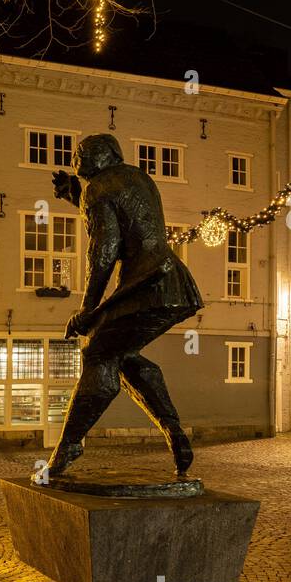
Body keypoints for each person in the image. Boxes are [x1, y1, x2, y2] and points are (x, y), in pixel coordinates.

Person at [47, 132, 204, 479]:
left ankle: (69, 445)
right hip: (173, 282)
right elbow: (131, 215)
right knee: (124, 354)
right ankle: (174, 431)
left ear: (101, 157)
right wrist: (77, 194)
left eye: (82, 155)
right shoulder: (138, 176)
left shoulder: (97, 188)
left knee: (99, 355)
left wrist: (88, 309)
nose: (77, 161)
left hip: (143, 288)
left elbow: (103, 252)